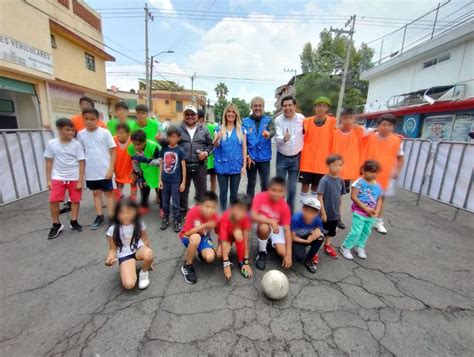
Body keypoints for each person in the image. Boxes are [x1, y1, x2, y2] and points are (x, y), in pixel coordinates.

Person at [159, 105, 213, 220]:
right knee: (182, 191)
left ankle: (201, 214)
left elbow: (211, 145)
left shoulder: (204, 129)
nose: (190, 116)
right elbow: (169, 143)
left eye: (192, 114)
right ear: (184, 116)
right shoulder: (177, 128)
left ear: (197, 116)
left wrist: (206, 153)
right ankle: (181, 214)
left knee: (202, 192)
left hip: (200, 166)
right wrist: (161, 141)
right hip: (182, 166)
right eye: (187, 114)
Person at [361, 114, 404, 234]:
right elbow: (357, 133)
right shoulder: (369, 136)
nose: (386, 127)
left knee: (381, 198)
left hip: (385, 174)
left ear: (393, 127)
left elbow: (400, 157)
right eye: (383, 124)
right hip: (368, 173)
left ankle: (378, 221)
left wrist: (397, 171)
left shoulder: (397, 140)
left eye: (390, 125)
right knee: (365, 197)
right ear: (378, 125)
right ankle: (363, 220)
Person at [61, 96, 104, 215]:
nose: (85, 106)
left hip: (94, 155)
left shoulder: (100, 123)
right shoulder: (74, 119)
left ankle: (100, 197)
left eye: (88, 104)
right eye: (83, 104)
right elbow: (70, 133)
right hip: (78, 152)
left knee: (96, 178)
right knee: (75, 177)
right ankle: (71, 201)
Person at [44, 118, 85, 239]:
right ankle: (56, 224)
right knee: (53, 200)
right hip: (58, 177)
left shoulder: (77, 144)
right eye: (67, 130)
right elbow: (49, 162)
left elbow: (81, 162)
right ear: (59, 130)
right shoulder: (52, 143)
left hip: (74, 177)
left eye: (72, 130)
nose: (71, 132)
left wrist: (80, 180)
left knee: (75, 200)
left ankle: (74, 221)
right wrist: (48, 179)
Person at [77, 108, 116, 229]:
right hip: (91, 171)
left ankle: (112, 217)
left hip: (105, 170)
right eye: (86, 119)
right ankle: (99, 216)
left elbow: (113, 151)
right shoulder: (80, 134)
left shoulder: (105, 133)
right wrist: (82, 175)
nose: (89, 121)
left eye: (92, 119)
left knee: (109, 194)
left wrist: (110, 169)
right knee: (95, 193)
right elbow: (81, 154)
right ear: (82, 118)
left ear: (98, 119)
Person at [105, 198, 154, 290]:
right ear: (116, 214)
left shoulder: (139, 223)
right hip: (125, 254)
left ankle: (144, 272)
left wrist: (150, 260)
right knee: (129, 284)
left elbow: (145, 239)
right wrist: (108, 260)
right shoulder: (112, 229)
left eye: (129, 212)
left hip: (138, 249)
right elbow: (112, 249)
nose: (126, 215)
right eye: (121, 212)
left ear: (135, 212)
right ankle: (126, 268)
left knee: (149, 253)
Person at [340, 160, 383, 260]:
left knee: (366, 232)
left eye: (375, 172)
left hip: (371, 215)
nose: (374, 174)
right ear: (363, 171)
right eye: (371, 172)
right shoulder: (359, 183)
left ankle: (360, 246)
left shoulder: (377, 185)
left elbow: (380, 199)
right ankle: (346, 247)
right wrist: (365, 208)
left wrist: (377, 211)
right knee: (356, 231)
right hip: (359, 212)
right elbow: (354, 197)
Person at [331, 107, 365, 229]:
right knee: (331, 195)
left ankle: (338, 216)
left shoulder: (359, 131)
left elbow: (373, 133)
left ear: (354, 118)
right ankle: (328, 215)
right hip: (333, 169)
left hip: (347, 172)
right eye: (345, 118)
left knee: (340, 195)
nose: (348, 120)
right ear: (341, 119)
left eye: (350, 118)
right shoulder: (334, 131)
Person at [299, 96, 337, 201]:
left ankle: (313, 208)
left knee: (317, 186)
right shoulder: (306, 122)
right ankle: (303, 208)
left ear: (327, 109)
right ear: (314, 108)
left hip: (322, 162)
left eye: (324, 106)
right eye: (319, 106)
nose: (321, 108)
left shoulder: (333, 122)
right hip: (307, 161)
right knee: (305, 185)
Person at [251, 177, 292, 270]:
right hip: (263, 224)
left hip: (277, 228)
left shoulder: (285, 207)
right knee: (264, 228)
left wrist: (288, 255)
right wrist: (271, 221)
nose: (276, 194)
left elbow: (287, 231)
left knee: (283, 254)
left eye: (280, 191)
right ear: (268, 189)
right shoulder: (259, 196)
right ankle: (262, 252)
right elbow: (253, 216)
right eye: (273, 190)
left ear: (284, 192)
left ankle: (269, 242)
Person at [179, 191, 218, 284]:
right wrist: (204, 225)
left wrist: (220, 247)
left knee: (210, 257)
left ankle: (201, 253)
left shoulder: (214, 215)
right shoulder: (193, 211)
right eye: (207, 207)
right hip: (188, 237)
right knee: (196, 238)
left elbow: (221, 231)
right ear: (201, 205)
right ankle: (187, 266)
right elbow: (187, 233)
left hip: (203, 237)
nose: (210, 210)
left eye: (213, 207)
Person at [213, 104, 247, 211]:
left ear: (236, 114)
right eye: (229, 111)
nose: (231, 114)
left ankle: (231, 217)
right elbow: (215, 145)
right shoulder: (218, 129)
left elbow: (244, 149)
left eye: (233, 112)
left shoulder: (241, 130)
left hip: (236, 166)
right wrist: (217, 138)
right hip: (221, 166)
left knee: (234, 193)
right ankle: (223, 215)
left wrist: (244, 166)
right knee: (223, 193)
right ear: (225, 114)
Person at [274, 95, 305, 213]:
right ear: (282, 107)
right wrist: (284, 138)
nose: (287, 108)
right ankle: (279, 213)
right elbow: (277, 137)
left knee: (292, 188)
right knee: (280, 187)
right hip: (282, 157)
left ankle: (289, 214)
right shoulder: (278, 120)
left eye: (290, 105)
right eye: (285, 106)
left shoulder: (302, 119)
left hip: (296, 158)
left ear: (295, 106)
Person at [242, 96, 275, 198]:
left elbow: (273, 131)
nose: (257, 108)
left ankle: (263, 206)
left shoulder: (269, 120)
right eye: (255, 106)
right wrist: (247, 155)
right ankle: (249, 206)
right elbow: (243, 141)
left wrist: (269, 133)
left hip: (264, 158)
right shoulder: (245, 121)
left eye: (260, 105)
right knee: (251, 184)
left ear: (263, 107)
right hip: (251, 157)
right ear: (251, 107)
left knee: (265, 184)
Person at [217, 194, 253, 280]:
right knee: (220, 254)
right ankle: (222, 249)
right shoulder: (225, 217)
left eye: (244, 210)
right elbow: (223, 239)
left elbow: (246, 240)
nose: (240, 213)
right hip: (227, 237)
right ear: (232, 207)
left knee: (238, 233)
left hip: (237, 234)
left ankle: (240, 261)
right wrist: (226, 263)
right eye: (238, 208)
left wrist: (246, 262)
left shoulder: (246, 218)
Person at [317, 154, 346, 260]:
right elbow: (320, 196)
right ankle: (315, 250)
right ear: (328, 166)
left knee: (331, 231)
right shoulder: (324, 180)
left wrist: (340, 210)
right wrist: (323, 212)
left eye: (340, 165)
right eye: (335, 165)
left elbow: (341, 196)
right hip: (325, 213)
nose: (338, 168)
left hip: (335, 214)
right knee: (320, 232)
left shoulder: (341, 180)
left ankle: (327, 246)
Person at [159, 126, 186, 232]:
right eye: (170, 137)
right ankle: (165, 218)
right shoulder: (164, 149)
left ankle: (176, 220)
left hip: (176, 182)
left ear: (178, 138)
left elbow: (183, 167)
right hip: (165, 181)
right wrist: (159, 180)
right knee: (165, 202)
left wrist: (183, 182)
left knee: (175, 202)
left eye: (174, 137)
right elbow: (161, 164)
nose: (172, 139)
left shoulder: (180, 150)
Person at [128, 130, 161, 215]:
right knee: (143, 186)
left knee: (159, 188)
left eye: (139, 144)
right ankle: (144, 205)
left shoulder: (153, 146)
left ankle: (162, 204)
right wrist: (139, 174)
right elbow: (134, 162)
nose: (136, 147)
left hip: (156, 170)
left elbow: (160, 162)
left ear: (145, 141)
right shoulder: (131, 148)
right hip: (144, 171)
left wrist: (146, 160)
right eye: (134, 144)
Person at [291, 196, 325, 273]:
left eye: (313, 212)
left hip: (306, 236)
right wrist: (307, 241)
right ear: (303, 209)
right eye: (307, 210)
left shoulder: (317, 220)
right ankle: (293, 251)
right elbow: (292, 237)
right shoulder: (296, 219)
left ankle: (309, 259)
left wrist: (314, 233)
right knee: (299, 257)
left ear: (317, 213)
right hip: (296, 239)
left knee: (320, 237)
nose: (309, 214)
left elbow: (319, 230)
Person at [112, 123, 137, 201]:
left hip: (129, 165)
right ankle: (119, 194)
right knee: (118, 181)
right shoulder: (113, 140)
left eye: (122, 132)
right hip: (118, 165)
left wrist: (134, 170)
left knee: (133, 180)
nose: (119, 134)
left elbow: (135, 156)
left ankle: (133, 195)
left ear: (128, 134)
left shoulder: (132, 142)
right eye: (118, 132)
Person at [198, 109, 218, 193]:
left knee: (212, 178)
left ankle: (212, 195)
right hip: (203, 158)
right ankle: (202, 196)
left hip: (211, 158)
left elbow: (215, 141)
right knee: (201, 179)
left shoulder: (211, 127)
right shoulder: (195, 129)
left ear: (201, 118)